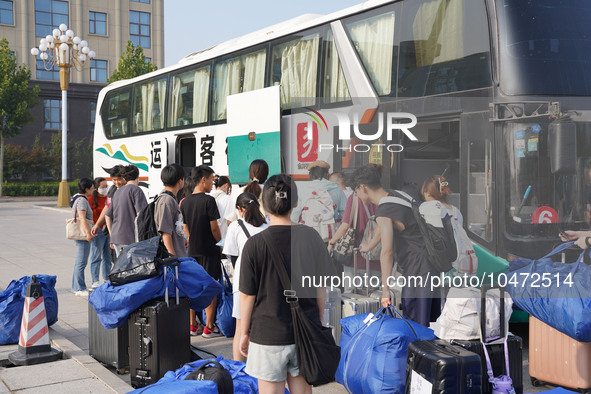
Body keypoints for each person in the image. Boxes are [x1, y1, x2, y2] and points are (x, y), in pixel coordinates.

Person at [239, 174, 334, 394]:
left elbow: (247, 296)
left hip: (267, 335)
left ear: (263, 205)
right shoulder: (312, 237)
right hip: (304, 332)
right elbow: (321, 287)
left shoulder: (254, 245)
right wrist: (316, 320)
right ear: (295, 203)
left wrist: (244, 332)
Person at [351, 165, 441, 326]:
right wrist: (370, 246)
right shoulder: (395, 196)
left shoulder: (384, 210)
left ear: (362, 187)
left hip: (417, 269)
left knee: (416, 324)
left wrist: (385, 289)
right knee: (430, 323)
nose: (357, 196)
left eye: (356, 191)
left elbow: (387, 252)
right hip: (430, 266)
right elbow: (384, 227)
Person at [222, 192, 268, 362]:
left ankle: (238, 371)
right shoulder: (268, 224)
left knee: (241, 328)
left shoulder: (236, 226)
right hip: (266, 282)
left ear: (240, 209)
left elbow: (232, 256)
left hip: (243, 281)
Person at [181, 165, 223, 338]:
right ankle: (209, 327)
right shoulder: (209, 201)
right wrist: (220, 243)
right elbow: (214, 228)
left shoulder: (186, 201)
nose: (213, 183)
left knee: (193, 288)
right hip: (209, 251)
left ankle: (192, 326)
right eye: (212, 179)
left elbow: (184, 227)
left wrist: (192, 239)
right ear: (203, 179)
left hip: (193, 251)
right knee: (210, 287)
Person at [327, 190, 380, 286]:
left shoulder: (354, 198)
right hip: (377, 260)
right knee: (375, 296)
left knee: (351, 297)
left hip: (355, 259)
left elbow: (345, 226)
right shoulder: (381, 197)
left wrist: (331, 243)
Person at [291, 160, 347, 241]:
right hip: (331, 237)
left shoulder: (302, 189)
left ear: (310, 175)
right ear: (327, 175)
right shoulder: (336, 188)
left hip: (308, 235)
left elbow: (295, 214)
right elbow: (345, 213)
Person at [106, 165, 148, 257]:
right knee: (133, 267)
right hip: (130, 237)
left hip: (116, 237)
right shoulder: (136, 190)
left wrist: (111, 234)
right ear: (138, 176)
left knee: (122, 267)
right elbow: (141, 215)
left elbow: (108, 215)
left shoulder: (117, 192)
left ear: (124, 178)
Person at [70, 178, 95, 297]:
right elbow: (82, 218)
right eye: (92, 188)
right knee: (81, 262)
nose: (93, 190)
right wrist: (88, 233)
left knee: (79, 262)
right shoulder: (82, 201)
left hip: (82, 234)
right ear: (86, 189)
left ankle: (76, 286)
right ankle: (79, 287)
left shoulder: (77, 198)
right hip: (82, 235)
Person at [155, 163, 186, 257]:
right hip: (172, 261)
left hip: (178, 254)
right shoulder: (166, 200)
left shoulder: (170, 199)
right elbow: (165, 233)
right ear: (180, 181)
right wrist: (172, 258)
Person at [91, 165, 126, 238]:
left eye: (119, 179)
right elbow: (107, 207)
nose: (117, 182)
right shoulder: (113, 189)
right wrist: (97, 224)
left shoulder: (129, 190)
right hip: (114, 229)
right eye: (114, 179)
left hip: (126, 230)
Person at [88, 177, 111, 287]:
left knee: (108, 256)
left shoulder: (109, 199)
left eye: (107, 186)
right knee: (96, 256)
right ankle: (95, 280)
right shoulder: (90, 199)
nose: (105, 188)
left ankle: (107, 278)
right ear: (96, 188)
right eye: (103, 187)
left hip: (109, 230)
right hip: (98, 231)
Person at [209, 175, 233, 239]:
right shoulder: (228, 199)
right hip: (223, 236)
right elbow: (229, 221)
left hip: (210, 237)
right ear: (226, 185)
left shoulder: (209, 197)